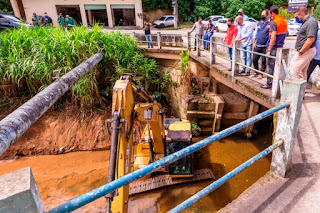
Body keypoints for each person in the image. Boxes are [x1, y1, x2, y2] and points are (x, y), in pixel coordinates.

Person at [260, 6, 287, 89]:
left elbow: (273, 37)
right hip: (280, 47)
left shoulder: (274, 22)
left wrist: (269, 50)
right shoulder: (284, 21)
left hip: (274, 48)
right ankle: (277, 84)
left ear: (272, 13)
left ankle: (269, 83)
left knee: (270, 67)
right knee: (277, 67)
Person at [290, 6, 318, 80]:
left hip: (306, 51)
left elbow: (310, 39)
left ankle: (294, 91)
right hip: (305, 51)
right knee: (302, 73)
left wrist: (301, 52)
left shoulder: (311, 22)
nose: (296, 19)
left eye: (297, 17)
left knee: (294, 72)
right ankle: (302, 91)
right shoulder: (306, 22)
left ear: (301, 14)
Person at [252, 9, 270, 79]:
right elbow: (255, 33)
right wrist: (254, 43)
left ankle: (261, 73)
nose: (262, 16)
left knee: (264, 61)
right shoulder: (258, 23)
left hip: (265, 46)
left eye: (264, 15)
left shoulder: (270, 24)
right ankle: (256, 72)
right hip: (257, 45)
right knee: (254, 59)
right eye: (261, 15)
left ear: (268, 16)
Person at [306, 16, 320, 81]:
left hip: (314, 56)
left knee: (307, 74)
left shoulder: (315, 28)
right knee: (306, 74)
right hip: (313, 56)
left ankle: (302, 89)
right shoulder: (315, 28)